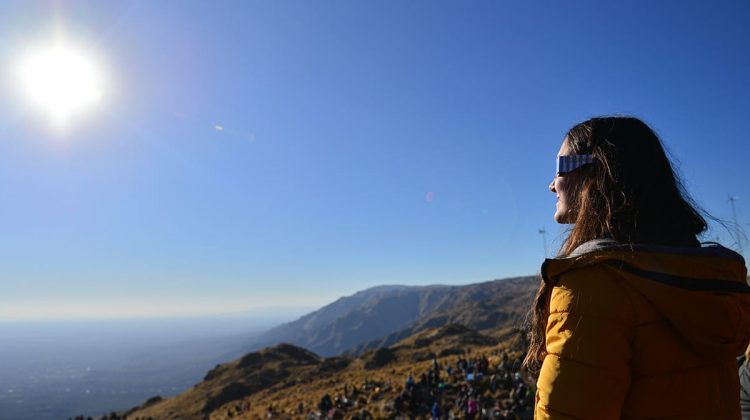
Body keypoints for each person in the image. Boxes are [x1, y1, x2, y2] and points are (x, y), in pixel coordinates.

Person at [523, 116, 750, 419]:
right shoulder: (710, 282)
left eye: (561, 167)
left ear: (597, 171)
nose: (552, 185)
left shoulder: (593, 286)